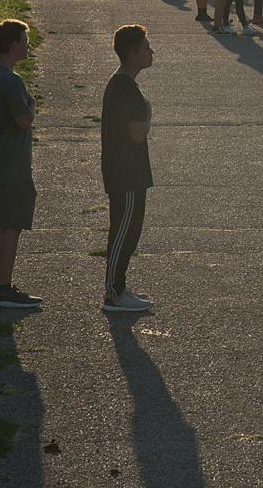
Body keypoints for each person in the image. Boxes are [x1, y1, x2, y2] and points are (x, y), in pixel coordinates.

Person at [0, 20, 42, 308]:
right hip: (13, 161)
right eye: (24, 40)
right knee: (11, 225)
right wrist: (31, 104)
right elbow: (23, 120)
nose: (27, 45)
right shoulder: (11, 81)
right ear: (13, 45)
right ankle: (4, 286)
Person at [101, 24, 156, 312]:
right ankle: (114, 292)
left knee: (126, 230)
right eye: (146, 48)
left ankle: (118, 286)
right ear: (133, 54)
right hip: (127, 173)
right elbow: (136, 134)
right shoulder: (127, 90)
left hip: (123, 171)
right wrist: (148, 114)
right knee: (125, 231)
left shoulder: (121, 83)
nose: (151, 52)